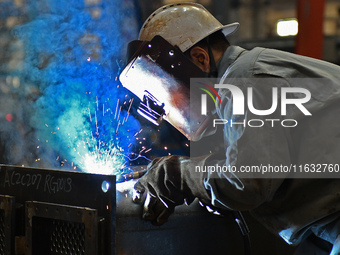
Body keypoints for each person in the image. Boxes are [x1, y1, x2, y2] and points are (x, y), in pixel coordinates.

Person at [120, 3, 340, 254]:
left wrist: (178, 176)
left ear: (200, 59)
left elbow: (247, 181)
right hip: (322, 229)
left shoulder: (246, 79)